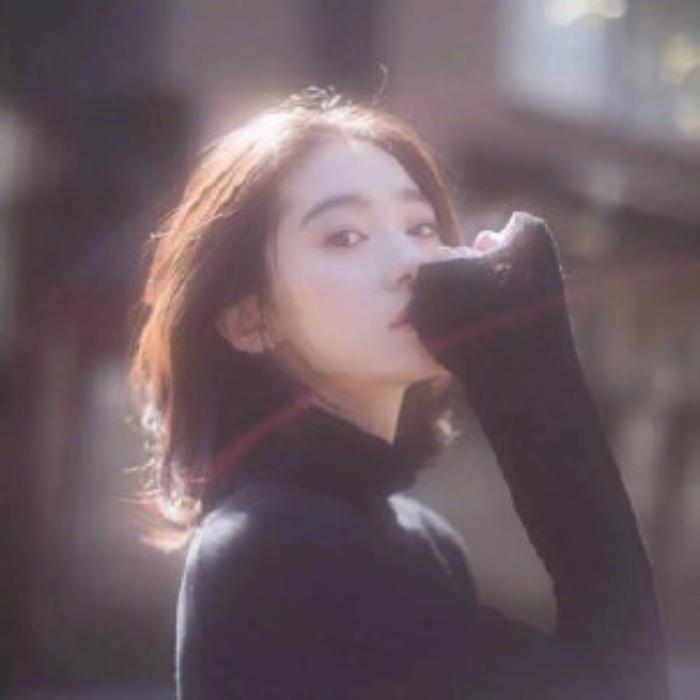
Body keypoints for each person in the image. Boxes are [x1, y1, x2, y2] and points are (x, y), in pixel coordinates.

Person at [128, 87, 669, 699]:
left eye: (421, 226)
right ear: (250, 319)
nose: (410, 261)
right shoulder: (270, 545)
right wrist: (528, 368)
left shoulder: (421, 537)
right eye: (345, 237)